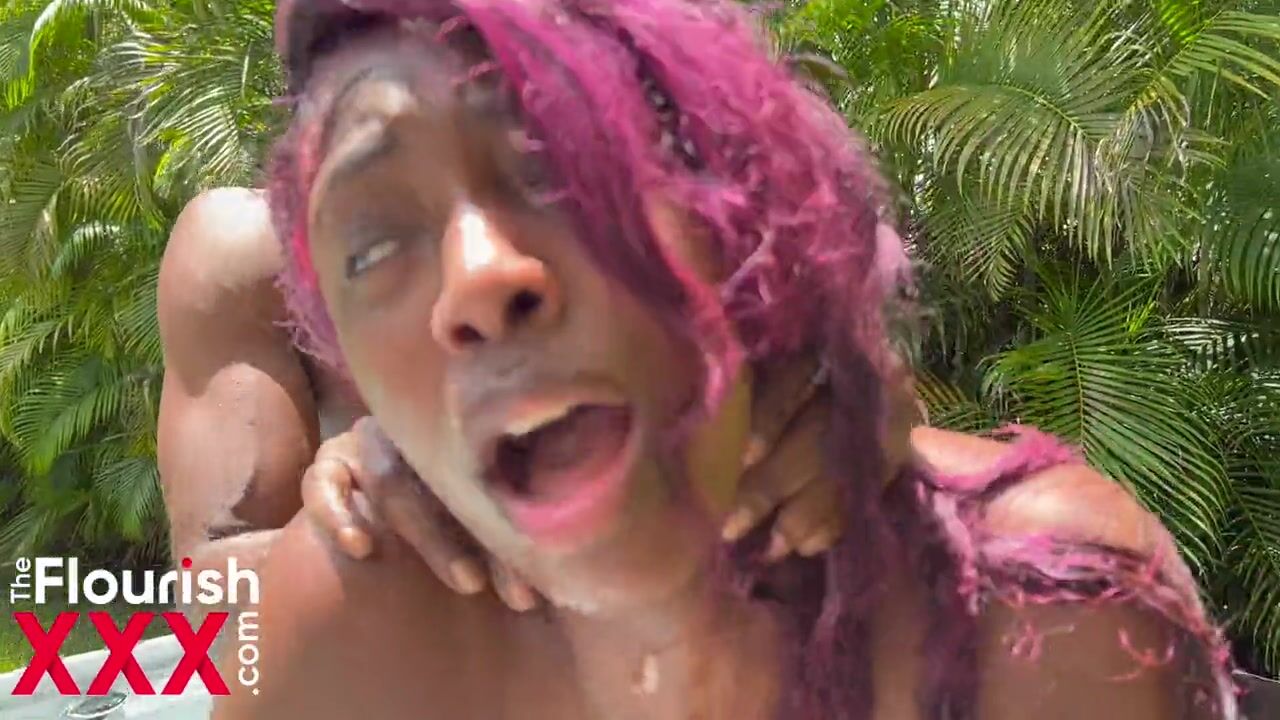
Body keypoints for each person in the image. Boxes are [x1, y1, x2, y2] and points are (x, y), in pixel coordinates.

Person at [212, 1, 1239, 718]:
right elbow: (201, 596)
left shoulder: (1042, 621)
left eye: (558, 159)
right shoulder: (339, 633)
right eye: (373, 248)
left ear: (744, 201)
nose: (477, 278)